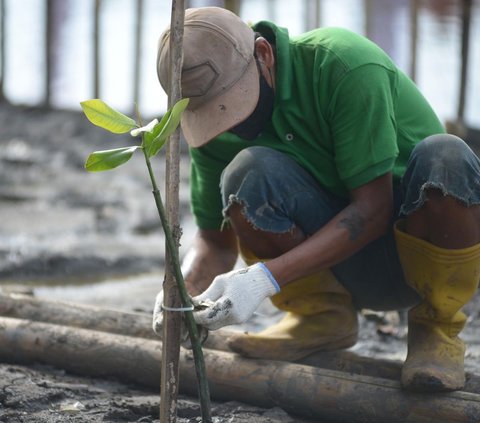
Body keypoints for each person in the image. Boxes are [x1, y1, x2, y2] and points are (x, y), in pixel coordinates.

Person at [153, 6, 480, 393]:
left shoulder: (343, 66)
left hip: (420, 247)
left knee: (446, 157)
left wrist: (263, 279)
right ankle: (321, 317)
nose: (232, 124)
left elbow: (374, 211)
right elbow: (213, 240)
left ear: (264, 54)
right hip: (334, 268)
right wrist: (181, 289)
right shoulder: (210, 132)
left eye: (235, 103)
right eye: (213, 115)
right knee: (246, 173)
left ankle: (435, 329)